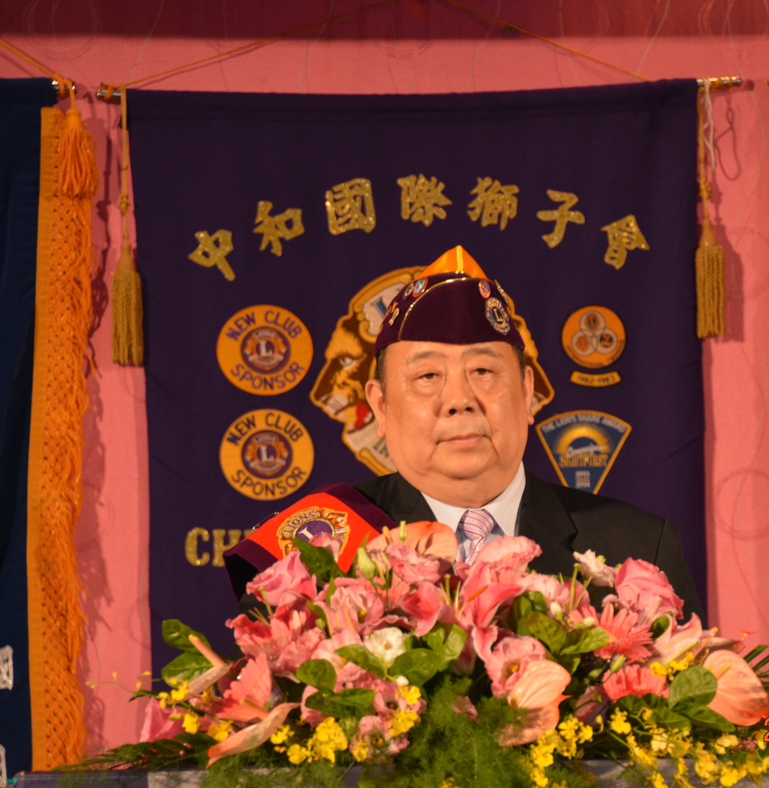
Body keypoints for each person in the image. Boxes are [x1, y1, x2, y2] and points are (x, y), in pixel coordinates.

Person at [226, 246, 703, 622]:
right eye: (427, 377)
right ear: (380, 406)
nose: (459, 400)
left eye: (483, 371)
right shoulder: (315, 552)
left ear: (528, 392)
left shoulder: (638, 549)